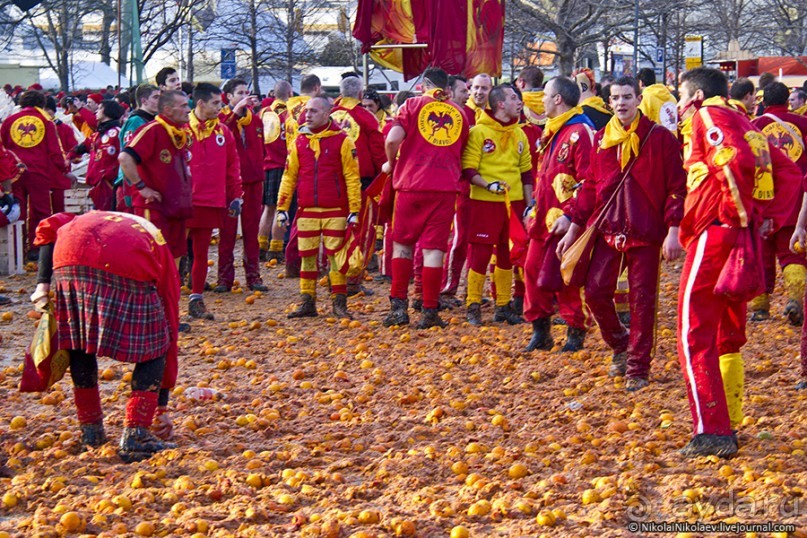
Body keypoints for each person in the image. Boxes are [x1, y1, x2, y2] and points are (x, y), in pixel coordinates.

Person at [675, 67, 801, 457]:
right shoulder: (745, 120)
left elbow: (733, 160)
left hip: (716, 232)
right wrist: (767, 219)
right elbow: (791, 174)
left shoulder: (708, 115)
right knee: (727, 332)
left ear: (695, 97)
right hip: (737, 234)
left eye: (681, 97)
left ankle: (711, 429)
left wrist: (740, 215)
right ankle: (728, 420)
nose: (678, 106)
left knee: (692, 332)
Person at [559, 76, 686, 391]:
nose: (621, 103)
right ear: (609, 101)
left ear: (639, 98)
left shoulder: (661, 139)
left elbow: (676, 187)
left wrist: (673, 230)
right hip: (609, 228)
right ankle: (619, 342)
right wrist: (573, 225)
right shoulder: (602, 138)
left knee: (643, 302)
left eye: (627, 96)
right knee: (596, 291)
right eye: (615, 98)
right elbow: (590, 187)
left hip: (646, 231)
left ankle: (637, 368)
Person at [31, 211, 179, 463]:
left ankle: (91, 431)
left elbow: (46, 228)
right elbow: (170, 327)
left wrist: (42, 283)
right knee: (156, 346)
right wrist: (161, 406)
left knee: (79, 344)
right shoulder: (158, 244)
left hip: (69, 258)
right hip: (125, 261)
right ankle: (136, 434)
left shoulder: (82, 216)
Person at [382, 67, 469, 329]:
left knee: (403, 246)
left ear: (424, 85)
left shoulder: (411, 104)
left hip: (411, 185)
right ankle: (429, 311)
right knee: (433, 251)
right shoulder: (460, 113)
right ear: (447, 87)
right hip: (444, 187)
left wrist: (391, 163)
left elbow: (392, 139)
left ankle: (399, 308)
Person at [523, 77, 593, 353]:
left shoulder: (580, 132)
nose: (541, 100)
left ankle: (576, 330)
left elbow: (589, 180)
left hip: (565, 221)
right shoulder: (554, 130)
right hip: (543, 218)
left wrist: (572, 215)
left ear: (558, 99)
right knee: (531, 269)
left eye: (545, 95)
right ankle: (541, 330)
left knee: (566, 275)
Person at [275, 96, 360, 320]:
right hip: (307, 210)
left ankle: (339, 304)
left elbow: (352, 177)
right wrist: (282, 206)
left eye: (313, 111)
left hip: (336, 210)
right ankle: (307, 301)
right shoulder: (299, 141)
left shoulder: (343, 140)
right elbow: (289, 176)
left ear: (325, 114)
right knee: (307, 256)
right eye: (306, 111)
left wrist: (354, 210)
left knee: (335, 258)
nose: (307, 115)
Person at [461, 84, 532, 326]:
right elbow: (468, 169)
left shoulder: (520, 133)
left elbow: (526, 174)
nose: (519, 102)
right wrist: (487, 185)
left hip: (514, 204)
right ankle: (473, 304)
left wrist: (529, 206)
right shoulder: (478, 132)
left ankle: (503, 305)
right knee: (480, 254)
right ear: (501, 104)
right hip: (484, 202)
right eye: (514, 98)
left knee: (507, 254)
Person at [750, 82, 807, 325]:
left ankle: (760, 308)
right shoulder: (804, 124)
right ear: (787, 100)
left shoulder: (754, 126)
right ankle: (795, 298)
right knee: (792, 254)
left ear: (764, 102)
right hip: (795, 198)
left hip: (764, 198)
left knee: (761, 255)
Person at [185, 83, 242, 319]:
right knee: (172, 253)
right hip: (182, 203)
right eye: (216, 103)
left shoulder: (223, 133)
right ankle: (160, 305)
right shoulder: (181, 131)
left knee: (201, 254)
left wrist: (235, 195)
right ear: (201, 103)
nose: (221, 107)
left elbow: (232, 166)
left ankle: (196, 299)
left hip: (210, 201)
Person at [118, 90, 193, 261]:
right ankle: (153, 289)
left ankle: (171, 288)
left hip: (176, 207)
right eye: (183, 106)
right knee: (153, 256)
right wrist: (141, 187)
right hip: (154, 207)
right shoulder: (152, 130)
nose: (188, 110)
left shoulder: (179, 132)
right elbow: (125, 158)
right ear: (167, 110)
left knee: (175, 255)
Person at [0, 90, 72, 260]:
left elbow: (3, 148)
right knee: (40, 211)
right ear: (42, 104)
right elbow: (55, 151)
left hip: (15, 172)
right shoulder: (46, 121)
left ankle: (17, 251)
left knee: (18, 211)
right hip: (39, 172)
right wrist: (64, 170)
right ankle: (37, 248)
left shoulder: (9, 120)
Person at [217, 79, 267, 293]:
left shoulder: (256, 121)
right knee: (227, 232)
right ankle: (224, 278)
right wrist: (235, 113)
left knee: (251, 231)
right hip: (230, 183)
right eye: (239, 93)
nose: (245, 96)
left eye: (247, 92)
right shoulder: (221, 119)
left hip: (254, 180)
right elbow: (220, 134)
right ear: (228, 96)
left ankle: (253, 276)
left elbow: (261, 147)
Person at [439, 74, 474, 305]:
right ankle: (445, 289)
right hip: (456, 185)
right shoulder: (451, 114)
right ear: (450, 91)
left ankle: (471, 289)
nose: (472, 93)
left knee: (471, 240)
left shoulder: (476, 114)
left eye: (481, 88)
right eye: (467, 90)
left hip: (477, 187)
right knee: (456, 239)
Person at [258, 80, 292, 262]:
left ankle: (260, 246)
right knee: (282, 209)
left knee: (268, 209)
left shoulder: (263, 113)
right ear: (290, 93)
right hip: (285, 166)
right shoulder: (291, 113)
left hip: (267, 165)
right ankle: (276, 249)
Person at [70, 100, 124, 211]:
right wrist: (69, 156)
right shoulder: (98, 135)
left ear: (106, 111)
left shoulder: (117, 133)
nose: (96, 112)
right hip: (97, 187)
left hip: (109, 185)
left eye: (99, 108)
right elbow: (82, 147)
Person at [117, 84, 161, 212]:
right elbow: (128, 156)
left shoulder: (152, 120)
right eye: (156, 97)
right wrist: (139, 185)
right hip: (133, 184)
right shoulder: (136, 121)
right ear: (144, 101)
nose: (159, 101)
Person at [44, 96, 77, 214]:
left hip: (55, 177)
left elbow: (74, 151)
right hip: (59, 177)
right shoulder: (64, 128)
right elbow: (75, 153)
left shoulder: (63, 128)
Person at [637, 68, 678, 134]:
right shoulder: (671, 97)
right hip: (673, 139)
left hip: (654, 141)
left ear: (641, 83)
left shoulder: (644, 98)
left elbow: (640, 123)